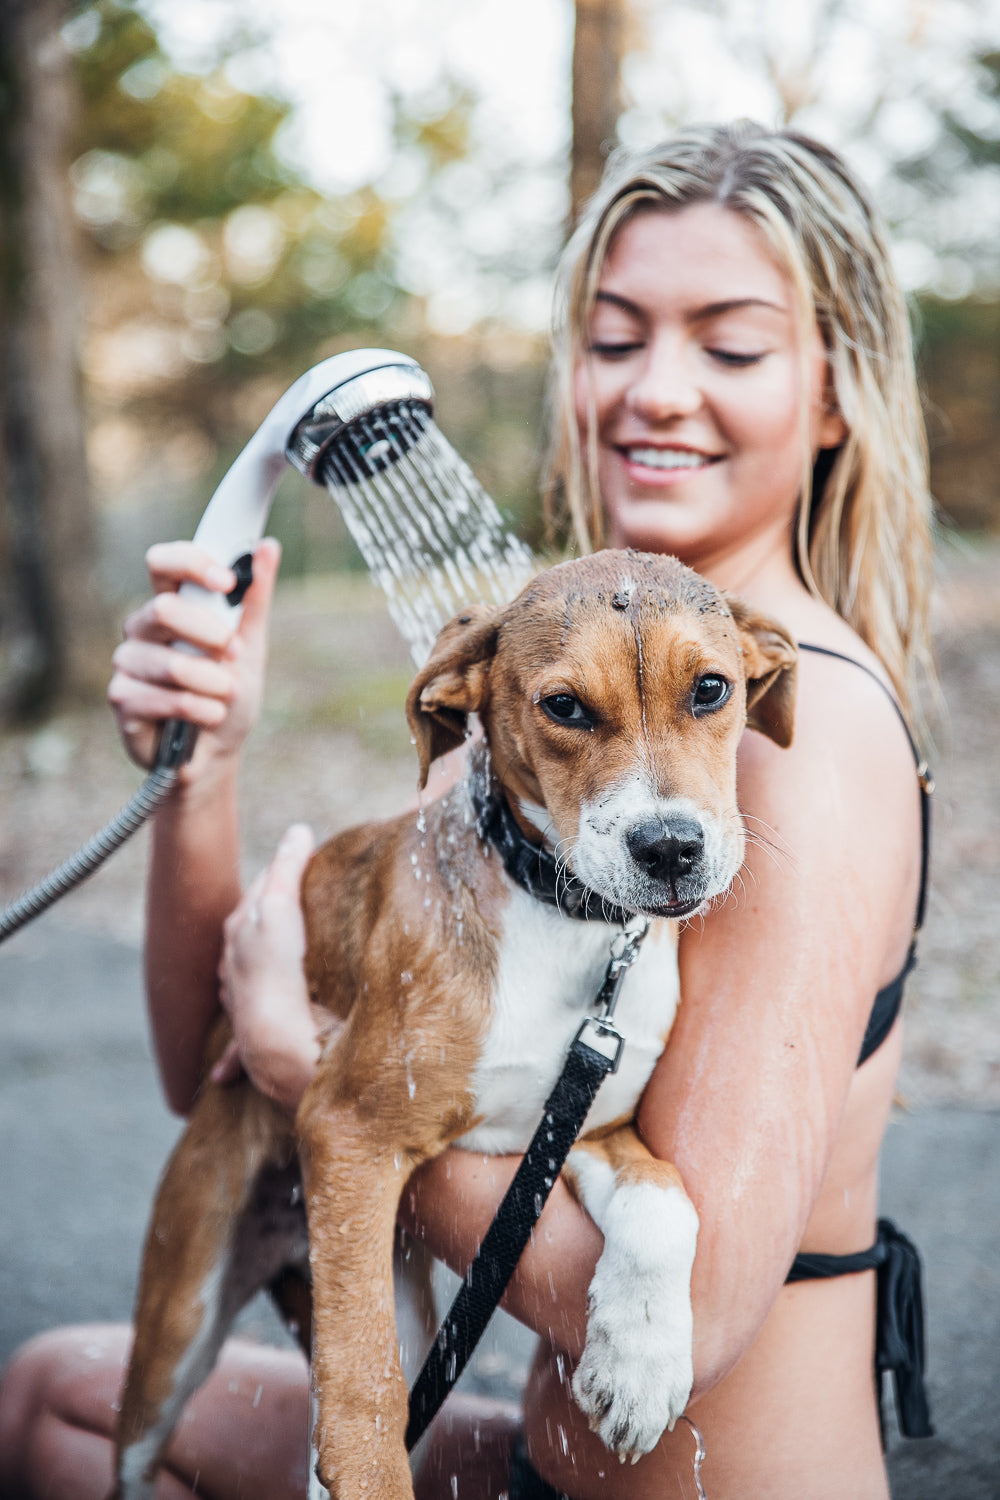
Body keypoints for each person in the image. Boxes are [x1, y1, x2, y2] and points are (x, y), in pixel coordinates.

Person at [0, 120, 936, 1500]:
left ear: (838, 385)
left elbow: (693, 1313)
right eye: (614, 338)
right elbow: (212, 1065)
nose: (655, 391)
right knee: (56, 1399)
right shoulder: (541, 697)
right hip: (531, 1469)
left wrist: (303, 1065)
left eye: (730, 346)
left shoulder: (796, 735)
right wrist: (205, 760)